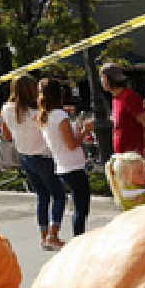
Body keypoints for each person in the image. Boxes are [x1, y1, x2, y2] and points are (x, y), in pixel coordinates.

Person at [1, 73, 69, 250]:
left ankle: (44, 236)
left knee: (42, 197)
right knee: (59, 195)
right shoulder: (35, 113)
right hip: (44, 156)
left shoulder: (6, 109)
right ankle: (53, 236)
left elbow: (6, 136)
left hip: (25, 157)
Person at [37, 78, 91, 239]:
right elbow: (71, 144)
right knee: (81, 209)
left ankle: (77, 239)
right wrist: (85, 131)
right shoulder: (59, 115)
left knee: (79, 207)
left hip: (62, 164)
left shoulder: (45, 116)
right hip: (72, 165)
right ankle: (78, 240)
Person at [80, 63, 145, 155]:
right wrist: (94, 122)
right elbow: (120, 121)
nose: (100, 81)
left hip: (135, 157)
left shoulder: (128, 96)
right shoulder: (116, 98)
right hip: (123, 157)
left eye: (101, 78)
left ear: (106, 78)